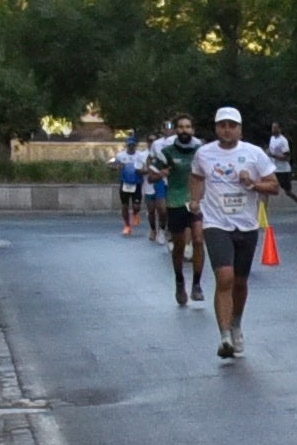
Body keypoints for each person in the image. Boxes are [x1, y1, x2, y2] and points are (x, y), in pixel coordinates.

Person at [192, 105, 284, 359]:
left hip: (246, 223)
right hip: (216, 222)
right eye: (222, 125)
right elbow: (197, 177)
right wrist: (195, 200)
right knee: (225, 277)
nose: (227, 129)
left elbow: (274, 187)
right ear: (216, 128)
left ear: (239, 129)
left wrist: (253, 183)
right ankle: (223, 338)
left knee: (240, 282)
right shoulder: (204, 153)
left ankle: (236, 324)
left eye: (232, 125)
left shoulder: (254, 154)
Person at [155, 116, 204, 303]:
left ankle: (197, 285)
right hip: (175, 201)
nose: (185, 130)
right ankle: (179, 281)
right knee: (179, 247)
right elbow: (151, 175)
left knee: (199, 240)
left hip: (196, 201)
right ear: (176, 130)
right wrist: (160, 174)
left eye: (188, 127)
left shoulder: (201, 151)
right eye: (181, 127)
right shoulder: (167, 151)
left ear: (193, 129)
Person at [115, 138, 144, 234]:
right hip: (125, 183)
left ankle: (135, 214)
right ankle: (127, 226)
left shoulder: (140, 155)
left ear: (135, 146)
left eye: (133, 145)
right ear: (126, 145)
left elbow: (145, 166)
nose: (131, 147)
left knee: (136, 206)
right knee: (124, 206)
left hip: (136, 183)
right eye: (129, 145)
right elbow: (114, 166)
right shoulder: (120, 155)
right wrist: (117, 167)